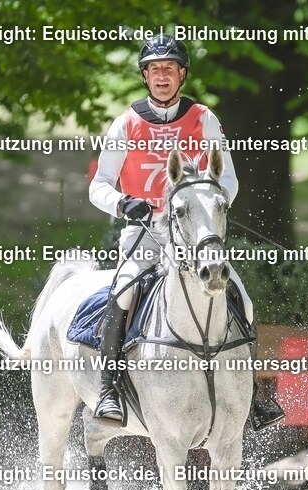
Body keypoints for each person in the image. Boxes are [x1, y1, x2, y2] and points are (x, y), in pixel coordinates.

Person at [88, 35, 285, 431]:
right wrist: (125, 203)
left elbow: (228, 178)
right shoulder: (126, 122)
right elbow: (98, 186)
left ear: (182, 75)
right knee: (122, 291)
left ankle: (251, 396)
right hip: (144, 234)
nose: (162, 76)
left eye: (170, 69)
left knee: (240, 297)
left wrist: (210, 202)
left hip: (195, 236)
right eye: (155, 69)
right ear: (146, 76)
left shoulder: (204, 118)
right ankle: (109, 389)